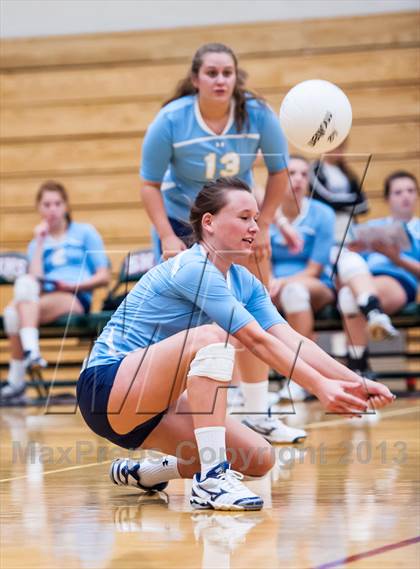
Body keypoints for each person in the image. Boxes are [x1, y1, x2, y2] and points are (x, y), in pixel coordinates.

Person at [77, 178, 395, 512]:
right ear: (209, 222)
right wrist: (320, 387)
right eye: (244, 217)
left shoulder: (246, 283)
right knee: (211, 337)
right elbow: (255, 339)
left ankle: (149, 472)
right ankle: (211, 480)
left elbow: (292, 340)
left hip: (156, 403)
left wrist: (353, 381)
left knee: (259, 457)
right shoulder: (192, 268)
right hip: (107, 388)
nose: (255, 227)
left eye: (256, 219)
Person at [140, 42, 303, 442]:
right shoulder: (171, 120)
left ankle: (257, 412)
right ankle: (169, 416)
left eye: (227, 73)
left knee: (253, 315)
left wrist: (261, 224)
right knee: (183, 325)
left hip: (234, 227)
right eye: (211, 73)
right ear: (195, 79)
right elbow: (148, 184)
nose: (220, 80)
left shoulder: (258, 115)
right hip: (181, 223)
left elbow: (280, 174)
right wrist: (165, 235)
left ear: (236, 77)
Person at [1, 181, 110, 400]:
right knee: (15, 307)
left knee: (16, 312)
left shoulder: (85, 233)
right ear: (39, 209)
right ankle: (32, 354)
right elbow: (35, 279)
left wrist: (72, 285)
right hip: (43, 299)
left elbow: (104, 276)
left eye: (57, 203)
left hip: (75, 297)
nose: (52, 209)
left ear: (66, 206)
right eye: (47, 204)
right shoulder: (36, 243)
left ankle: (17, 380)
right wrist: (40, 242)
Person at [336, 170, 419, 374]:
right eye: (398, 192)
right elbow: (342, 275)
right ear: (387, 198)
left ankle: (357, 366)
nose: (405, 196)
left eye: (410, 190)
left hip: (399, 281)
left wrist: (395, 257)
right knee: (346, 262)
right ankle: (373, 312)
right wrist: (353, 250)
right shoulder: (371, 227)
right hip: (362, 277)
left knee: (348, 297)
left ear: (417, 195)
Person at [268, 156, 336, 400]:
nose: (298, 179)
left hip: (315, 285)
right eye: (291, 173)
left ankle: (298, 378)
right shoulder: (266, 215)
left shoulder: (322, 214)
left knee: (293, 292)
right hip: (274, 283)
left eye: (303, 174)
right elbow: (262, 258)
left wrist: (282, 282)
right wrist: (267, 281)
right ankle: (245, 388)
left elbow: (314, 269)